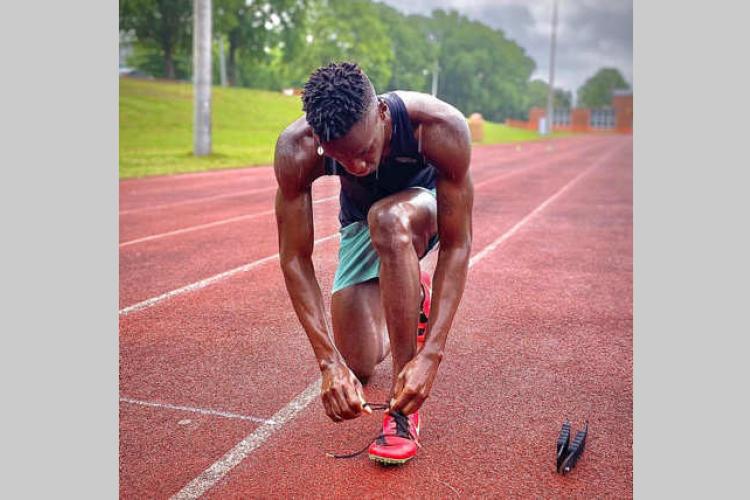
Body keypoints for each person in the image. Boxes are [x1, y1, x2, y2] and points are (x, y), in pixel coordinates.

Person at [274, 62, 473, 464]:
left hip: (421, 211)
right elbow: (295, 257)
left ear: (381, 113)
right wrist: (329, 362)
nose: (358, 167)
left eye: (365, 152)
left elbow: (457, 244)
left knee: (388, 219)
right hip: (360, 222)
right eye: (341, 160)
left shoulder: (438, 127)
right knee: (359, 365)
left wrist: (429, 356)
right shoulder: (297, 150)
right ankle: (411, 296)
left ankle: (403, 412)